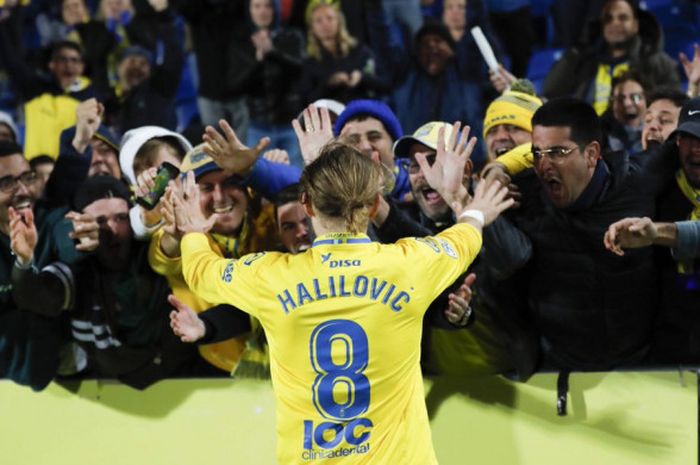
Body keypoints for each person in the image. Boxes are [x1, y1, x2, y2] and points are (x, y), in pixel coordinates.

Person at [169, 126, 513, 464]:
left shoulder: (270, 277)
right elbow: (465, 236)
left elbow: (201, 274)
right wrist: (473, 207)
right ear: (375, 202)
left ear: (306, 204)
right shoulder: (410, 264)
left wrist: (194, 232)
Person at [604, 97, 700, 363]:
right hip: (667, 336)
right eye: (690, 138)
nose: (696, 149)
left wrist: (656, 233)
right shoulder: (654, 186)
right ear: (677, 142)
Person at [542, 0, 680, 116]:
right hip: (589, 135)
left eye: (623, 17)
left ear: (636, 25)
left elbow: (672, 107)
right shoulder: (586, 61)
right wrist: (577, 50)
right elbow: (551, 91)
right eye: (608, 19)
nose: (615, 23)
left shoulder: (657, 62)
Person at [299, 0, 386, 104]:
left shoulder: (360, 51)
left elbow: (385, 84)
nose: (325, 24)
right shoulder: (310, 63)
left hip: (362, 113)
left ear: (339, 21)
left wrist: (361, 77)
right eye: (318, 20)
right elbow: (305, 101)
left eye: (330, 18)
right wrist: (329, 84)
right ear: (311, 28)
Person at [334, 99, 411, 202]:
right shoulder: (331, 198)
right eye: (353, 140)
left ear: (394, 147)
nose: (365, 147)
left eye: (374, 137)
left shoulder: (422, 194)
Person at [601, 71, 647, 154]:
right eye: (620, 98)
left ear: (646, 99)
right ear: (612, 104)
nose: (627, 104)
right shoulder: (598, 134)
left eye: (635, 97)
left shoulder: (661, 132)